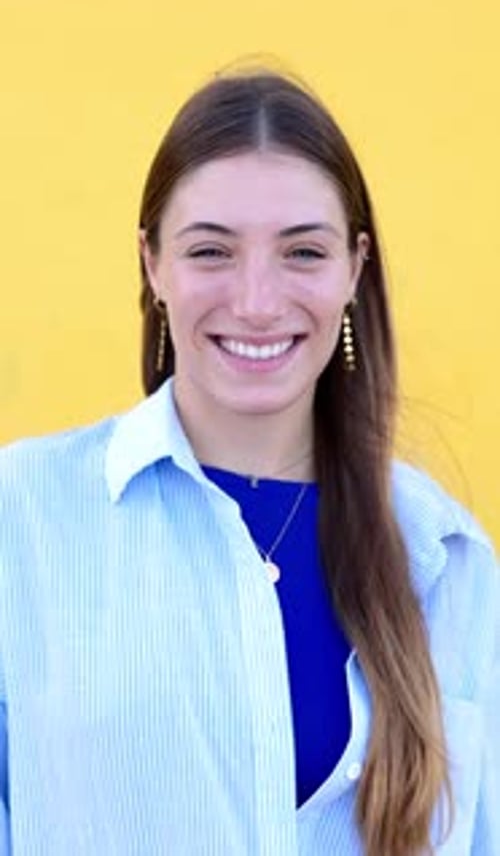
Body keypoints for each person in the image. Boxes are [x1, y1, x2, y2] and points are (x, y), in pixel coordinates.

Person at [0, 69, 498, 856]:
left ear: (354, 267)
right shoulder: (20, 519)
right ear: (152, 264)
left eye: (303, 250)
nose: (259, 301)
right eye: (211, 251)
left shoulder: (447, 556)